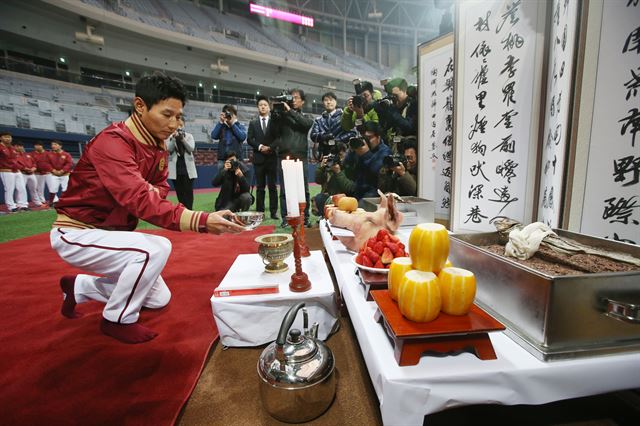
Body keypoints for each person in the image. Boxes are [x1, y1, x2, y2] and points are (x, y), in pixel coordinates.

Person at [50, 73, 246, 344]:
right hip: (77, 232)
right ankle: (116, 319)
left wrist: (144, 192)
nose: (174, 124)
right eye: (168, 114)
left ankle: (79, 287)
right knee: (155, 248)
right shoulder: (113, 142)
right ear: (140, 106)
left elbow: (158, 190)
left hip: (111, 234)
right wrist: (200, 220)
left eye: (178, 117)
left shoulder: (156, 145)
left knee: (158, 298)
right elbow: (141, 198)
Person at [269, 88, 314, 227]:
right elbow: (272, 132)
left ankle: (305, 217)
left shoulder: (306, 117)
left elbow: (306, 124)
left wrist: (289, 111)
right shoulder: (281, 117)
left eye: (295, 97)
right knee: (284, 190)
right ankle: (286, 218)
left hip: (301, 157)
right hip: (283, 156)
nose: (292, 100)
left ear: (303, 101)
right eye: (291, 97)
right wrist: (274, 114)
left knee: (304, 189)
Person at [341, 121, 391, 202]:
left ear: (378, 137)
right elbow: (346, 165)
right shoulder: (361, 148)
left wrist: (366, 155)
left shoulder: (385, 151)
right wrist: (351, 151)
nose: (366, 141)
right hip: (358, 188)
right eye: (364, 138)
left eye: (369, 138)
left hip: (375, 191)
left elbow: (377, 171)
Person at [247, 96, 279, 220]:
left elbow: (278, 138)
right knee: (260, 187)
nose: (263, 107)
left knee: (272, 187)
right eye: (260, 105)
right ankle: (259, 213)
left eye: (265, 105)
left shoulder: (274, 122)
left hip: (271, 158)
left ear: (269, 107)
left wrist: (269, 148)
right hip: (259, 158)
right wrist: (260, 147)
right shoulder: (253, 123)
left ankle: (273, 212)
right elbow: (249, 139)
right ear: (257, 107)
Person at [310, 92, 357, 160]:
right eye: (326, 100)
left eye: (331, 100)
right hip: (324, 154)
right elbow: (313, 135)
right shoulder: (318, 120)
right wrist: (323, 136)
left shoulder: (344, 116)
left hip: (341, 152)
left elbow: (352, 133)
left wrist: (337, 140)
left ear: (336, 102)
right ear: (323, 103)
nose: (328, 102)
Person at [313, 142, 355, 216]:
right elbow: (318, 180)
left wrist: (338, 172)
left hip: (346, 199)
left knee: (322, 199)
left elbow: (350, 188)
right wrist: (321, 168)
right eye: (336, 155)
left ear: (347, 154)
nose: (339, 158)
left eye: (341, 155)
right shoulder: (331, 165)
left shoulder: (350, 167)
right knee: (320, 198)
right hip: (332, 197)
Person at [377, 78, 418, 153]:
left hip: (408, 148)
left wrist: (393, 112)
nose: (393, 99)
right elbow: (384, 128)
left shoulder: (413, 105)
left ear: (404, 91)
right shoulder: (393, 106)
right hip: (394, 146)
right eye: (392, 96)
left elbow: (409, 127)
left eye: (395, 96)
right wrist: (381, 113)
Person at [167, 123, 197, 210]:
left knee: (188, 192)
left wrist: (182, 139)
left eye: (181, 125)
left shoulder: (189, 136)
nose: (179, 127)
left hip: (188, 169)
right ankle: (183, 211)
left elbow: (191, 149)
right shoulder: (170, 137)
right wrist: (173, 139)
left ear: (184, 125)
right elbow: (169, 149)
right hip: (176, 169)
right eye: (177, 125)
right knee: (179, 193)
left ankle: (189, 210)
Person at [211, 104, 246, 169]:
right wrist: (221, 122)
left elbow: (242, 137)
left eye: (230, 114)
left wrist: (232, 124)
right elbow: (213, 136)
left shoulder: (240, 126)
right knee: (222, 178)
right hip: (222, 160)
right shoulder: (221, 126)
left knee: (237, 178)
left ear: (235, 115)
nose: (228, 116)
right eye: (227, 114)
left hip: (237, 159)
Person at [14, 141, 40, 209]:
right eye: (18, 146)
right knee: (20, 189)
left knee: (34, 188)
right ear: (15, 147)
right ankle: (19, 203)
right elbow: (15, 164)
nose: (20, 147)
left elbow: (34, 163)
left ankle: (37, 202)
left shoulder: (27, 155)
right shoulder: (14, 155)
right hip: (22, 174)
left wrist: (34, 168)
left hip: (31, 173)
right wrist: (24, 168)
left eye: (21, 146)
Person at [47, 140, 73, 204]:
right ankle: (50, 203)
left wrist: (62, 170)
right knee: (52, 189)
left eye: (55, 144)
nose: (53, 146)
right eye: (52, 144)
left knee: (66, 189)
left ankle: (67, 202)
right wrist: (53, 170)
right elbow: (46, 163)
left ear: (60, 146)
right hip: (54, 175)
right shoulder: (49, 154)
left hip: (65, 175)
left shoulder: (66, 154)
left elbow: (69, 164)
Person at [0, 131, 20, 213]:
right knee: (9, 189)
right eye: (5, 137)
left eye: (9, 137)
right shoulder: (0, 147)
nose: (8, 138)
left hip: (14, 171)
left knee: (15, 188)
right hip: (5, 170)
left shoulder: (12, 147)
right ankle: (11, 206)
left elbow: (14, 160)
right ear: (0, 138)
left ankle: (16, 204)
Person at [32, 141, 52, 207]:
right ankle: (42, 200)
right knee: (39, 188)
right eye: (36, 145)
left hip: (48, 173)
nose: (37, 146)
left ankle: (54, 201)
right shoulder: (32, 154)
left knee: (52, 187)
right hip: (38, 173)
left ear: (42, 146)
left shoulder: (48, 153)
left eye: (39, 145)